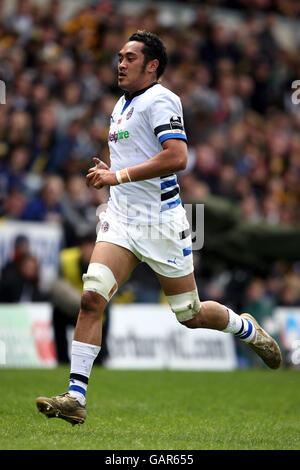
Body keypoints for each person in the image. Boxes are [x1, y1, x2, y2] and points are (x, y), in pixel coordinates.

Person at [36, 31, 282, 426]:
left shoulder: (162, 99)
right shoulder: (120, 105)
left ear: (152, 65)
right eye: (119, 56)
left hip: (162, 224)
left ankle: (245, 328)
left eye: (130, 58)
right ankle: (76, 396)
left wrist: (116, 175)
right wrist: (109, 174)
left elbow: (177, 156)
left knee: (191, 314)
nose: (120, 63)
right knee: (91, 297)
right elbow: (133, 162)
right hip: (120, 219)